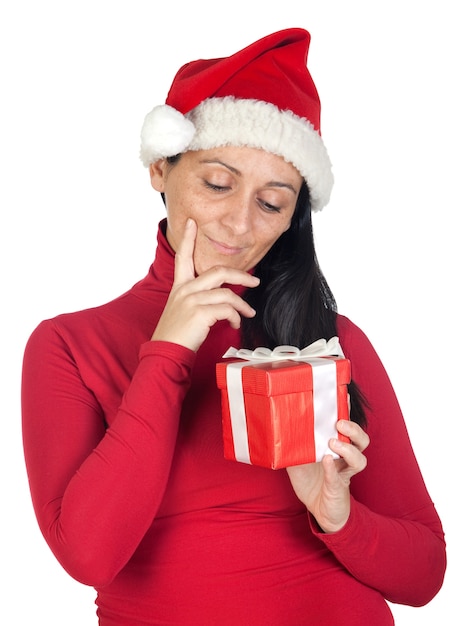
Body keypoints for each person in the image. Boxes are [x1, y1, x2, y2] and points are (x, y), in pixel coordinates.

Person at [21, 28, 446, 625]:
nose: (239, 222)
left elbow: (425, 574)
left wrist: (338, 517)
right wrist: (167, 351)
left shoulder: (329, 340)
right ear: (160, 168)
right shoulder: (69, 346)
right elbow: (89, 554)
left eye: (272, 202)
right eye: (217, 183)